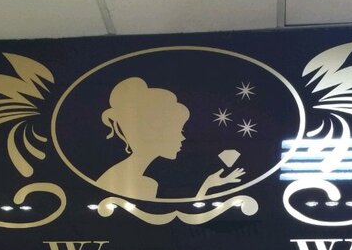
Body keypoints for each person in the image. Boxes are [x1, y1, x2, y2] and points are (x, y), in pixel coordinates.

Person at [97, 77, 243, 199]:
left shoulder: (130, 177)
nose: (183, 137)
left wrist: (208, 185)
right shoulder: (140, 184)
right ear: (154, 132)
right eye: (179, 130)